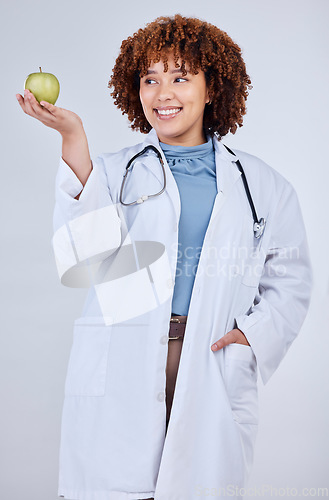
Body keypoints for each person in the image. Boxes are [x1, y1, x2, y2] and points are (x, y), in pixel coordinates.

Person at [16, 13, 312, 500]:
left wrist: (250, 338)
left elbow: (291, 280)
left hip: (212, 356)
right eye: (149, 78)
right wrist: (73, 139)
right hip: (126, 359)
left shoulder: (262, 185)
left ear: (212, 87)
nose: (162, 93)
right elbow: (85, 260)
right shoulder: (111, 171)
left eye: (180, 77)